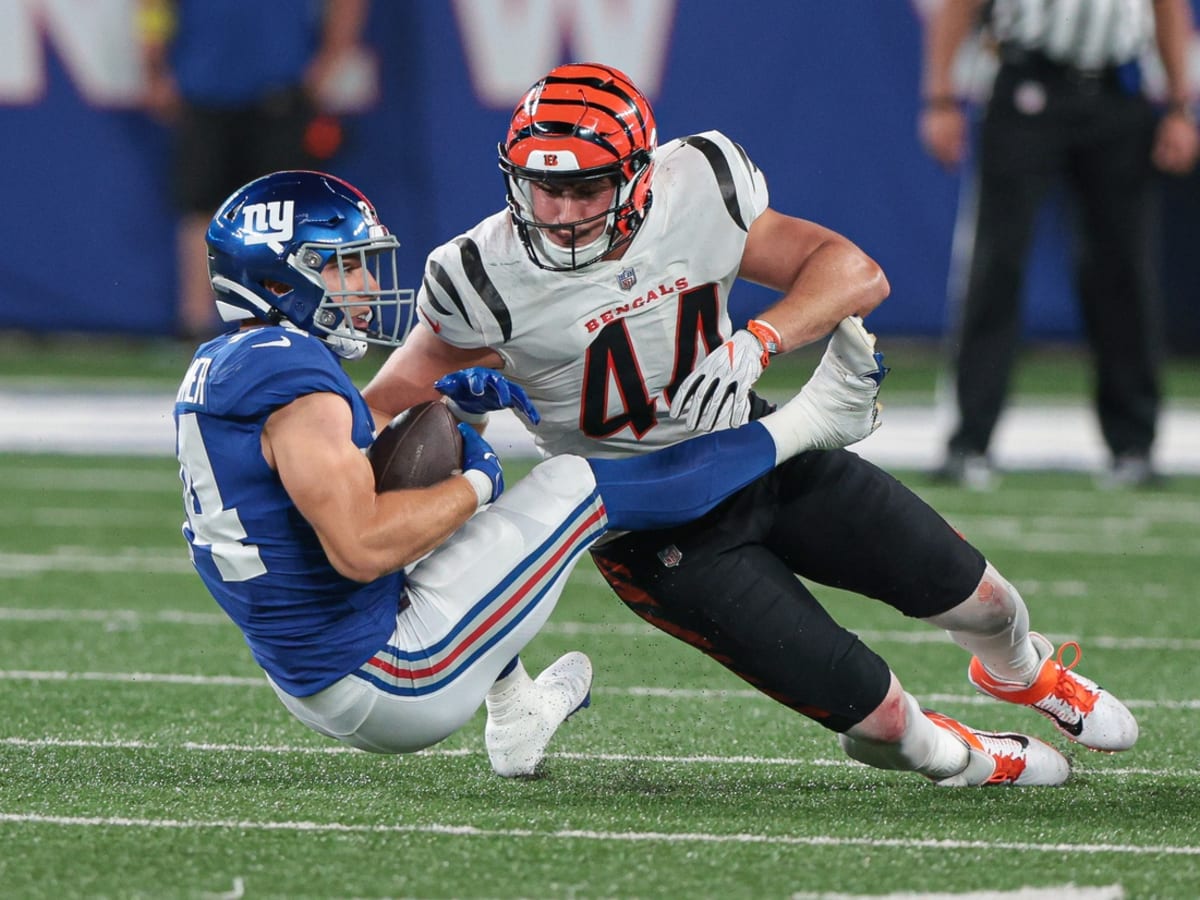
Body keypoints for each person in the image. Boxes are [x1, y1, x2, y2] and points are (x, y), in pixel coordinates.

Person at [362, 62, 1138, 787]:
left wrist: (758, 340)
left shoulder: (700, 183)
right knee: (885, 718)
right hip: (651, 519)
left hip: (755, 445)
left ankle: (1018, 671)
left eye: (587, 189)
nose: (560, 213)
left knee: (989, 603)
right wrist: (412, 417)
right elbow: (387, 403)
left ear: (638, 176)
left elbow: (853, 269)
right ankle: (968, 755)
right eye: (541, 189)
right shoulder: (480, 274)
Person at [174, 169, 893, 778]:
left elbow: (337, 500)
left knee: (457, 499)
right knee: (573, 485)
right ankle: (811, 423)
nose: (364, 283)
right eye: (344, 264)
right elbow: (360, 548)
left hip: (314, 673)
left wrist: (453, 422)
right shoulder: (294, 379)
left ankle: (515, 710)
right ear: (278, 277)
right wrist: (476, 481)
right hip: (389, 677)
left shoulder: (227, 365)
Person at [919, 0, 1200, 489]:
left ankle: (1134, 444)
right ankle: (970, 440)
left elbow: (1168, 7)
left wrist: (1180, 106)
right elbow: (960, 5)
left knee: (1123, 272)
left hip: (1116, 89)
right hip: (1027, 81)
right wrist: (941, 98)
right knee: (997, 266)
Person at [138, 0, 373, 340]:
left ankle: (290, 320)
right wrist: (154, 65)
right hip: (205, 86)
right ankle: (196, 326)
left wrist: (330, 58)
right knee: (201, 207)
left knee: (286, 216)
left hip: (278, 91)